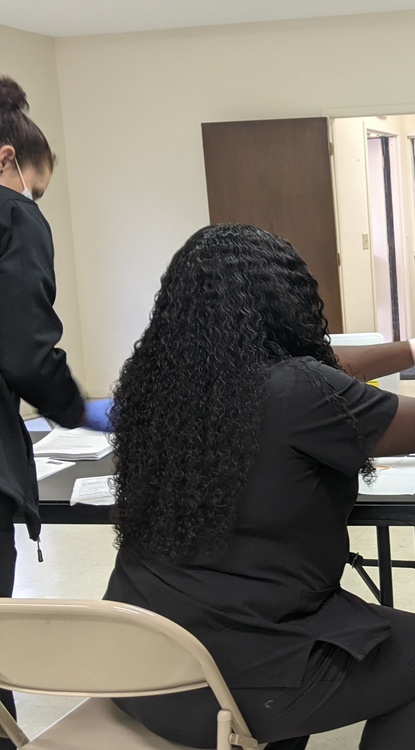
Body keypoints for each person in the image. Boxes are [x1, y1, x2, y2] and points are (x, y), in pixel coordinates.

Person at [103, 224, 415, 750]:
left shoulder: (157, 387)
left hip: (139, 664)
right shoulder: (295, 390)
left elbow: (326, 370)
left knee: (329, 636)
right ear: (282, 301)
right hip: (237, 679)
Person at [0, 75, 110, 748]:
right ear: (9, 158)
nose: (35, 204)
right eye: (36, 191)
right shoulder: (13, 216)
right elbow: (25, 342)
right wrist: (76, 408)